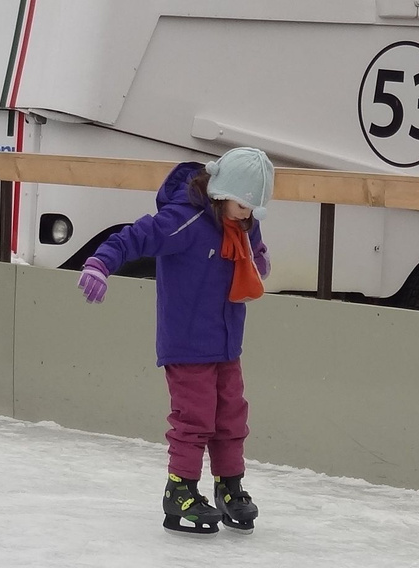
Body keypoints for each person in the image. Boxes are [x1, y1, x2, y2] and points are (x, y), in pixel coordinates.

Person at [77, 147, 273, 535]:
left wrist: (260, 257)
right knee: (194, 417)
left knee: (231, 415)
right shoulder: (185, 219)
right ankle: (180, 489)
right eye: (243, 205)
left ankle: (228, 485)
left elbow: (255, 247)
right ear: (221, 192)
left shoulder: (242, 221)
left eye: (254, 208)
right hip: (186, 342)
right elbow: (134, 237)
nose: (248, 214)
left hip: (227, 340)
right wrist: (100, 263)